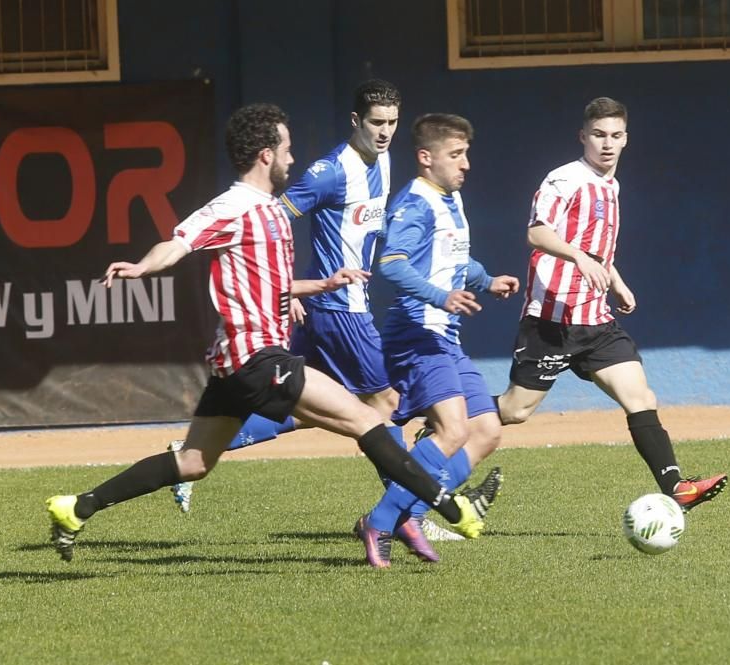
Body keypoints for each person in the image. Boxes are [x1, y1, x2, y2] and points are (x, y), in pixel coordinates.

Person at [45, 103, 485, 563]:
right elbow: (178, 243)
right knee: (369, 420)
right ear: (265, 155)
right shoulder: (233, 206)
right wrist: (141, 266)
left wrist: (321, 285)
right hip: (257, 356)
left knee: (193, 463)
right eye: (287, 150)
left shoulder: (271, 210)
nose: (293, 159)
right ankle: (449, 506)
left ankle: (77, 507)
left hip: (232, 364)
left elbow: (268, 282)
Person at [166, 80, 501, 545]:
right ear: (354, 122)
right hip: (338, 307)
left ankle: (191, 451)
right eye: (375, 123)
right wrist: (292, 289)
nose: (384, 133)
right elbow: (276, 218)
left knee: (307, 402)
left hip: (340, 305)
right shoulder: (330, 171)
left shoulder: (383, 162)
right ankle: (412, 515)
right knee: (385, 405)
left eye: (391, 123)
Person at [495, 96, 727, 511]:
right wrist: (580, 259)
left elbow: (597, 246)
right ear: (582, 136)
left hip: (596, 321)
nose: (607, 144)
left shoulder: (611, 185)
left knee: (640, 396)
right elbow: (537, 234)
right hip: (552, 319)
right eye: (599, 135)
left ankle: (676, 487)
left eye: (615, 136)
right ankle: (447, 421)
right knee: (514, 411)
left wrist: (616, 281)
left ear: (626, 140)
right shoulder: (563, 180)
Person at [354, 113, 520, 567]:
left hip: (444, 336)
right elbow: (392, 263)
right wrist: (440, 296)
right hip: (416, 333)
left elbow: (452, 258)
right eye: (455, 154)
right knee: (451, 429)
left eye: (466, 153)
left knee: (486, 431)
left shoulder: (449, 199)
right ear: (426, 158)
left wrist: (487, 281)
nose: (465, 164)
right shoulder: (414, 203)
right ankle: (382, 520)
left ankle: (410, 511)